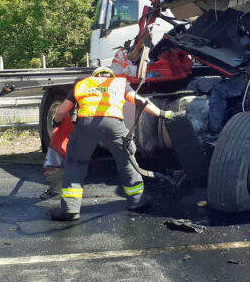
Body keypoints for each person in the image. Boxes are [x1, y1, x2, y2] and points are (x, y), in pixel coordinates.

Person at [50, 66, 173, 221]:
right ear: (111, 75)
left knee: (76, 162)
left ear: (94, 76)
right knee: (127, 161)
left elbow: (62, 111)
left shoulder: (82, 84)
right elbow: (141, 101)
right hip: (113, 124)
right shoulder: (118, 83)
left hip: (86, 125)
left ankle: (70, 209)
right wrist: (163, 114)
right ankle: (137, 201)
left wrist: (56, 122)